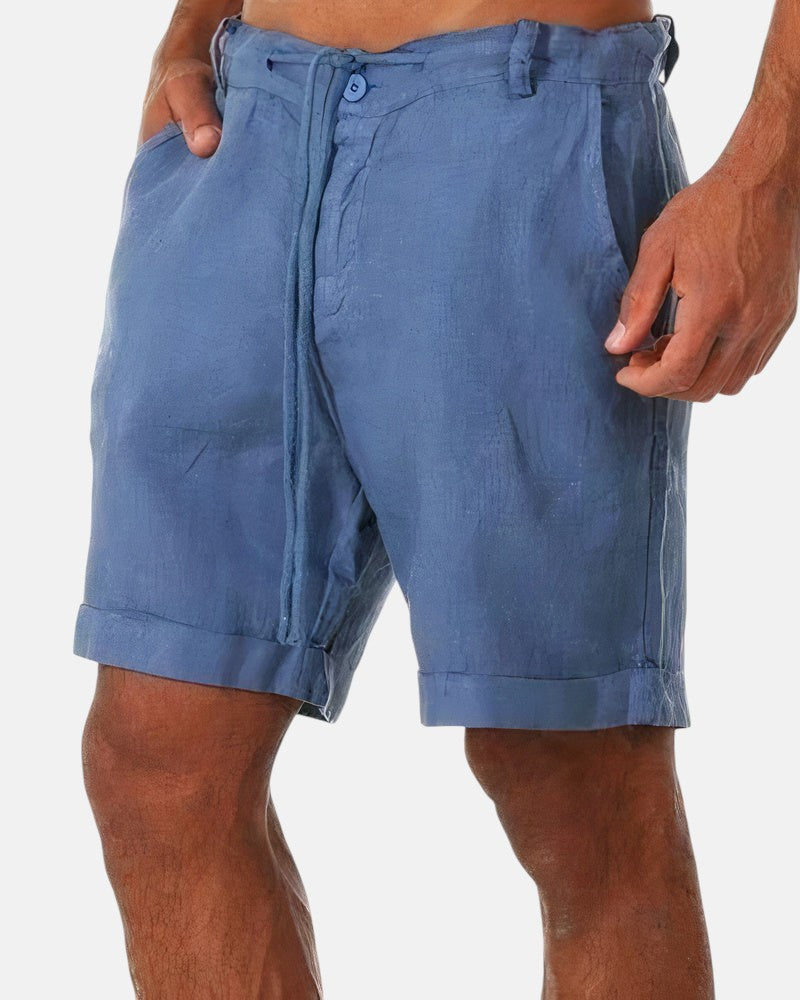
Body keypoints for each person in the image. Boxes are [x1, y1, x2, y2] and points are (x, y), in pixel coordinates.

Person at [75, 0, 799, 996]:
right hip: (245, 134)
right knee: (156, 762)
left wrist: (770, 176)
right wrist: (193, 27)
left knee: (571, 774)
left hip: (517, 132)